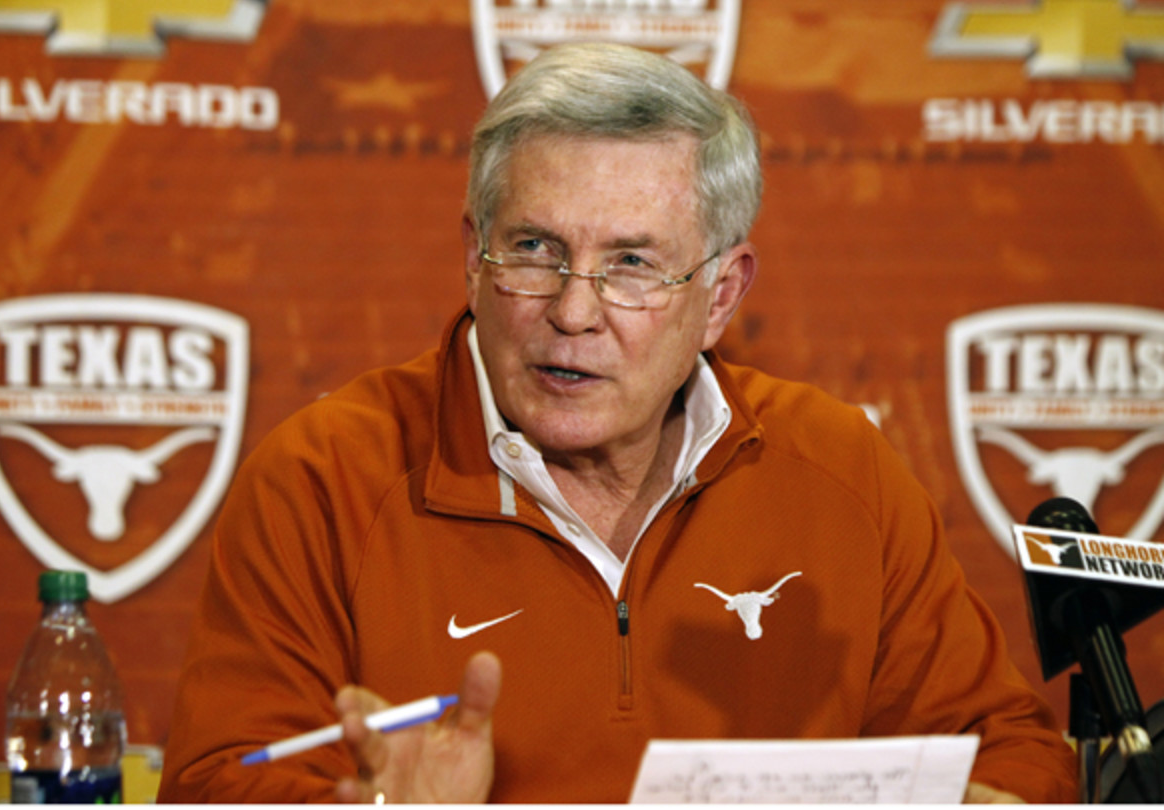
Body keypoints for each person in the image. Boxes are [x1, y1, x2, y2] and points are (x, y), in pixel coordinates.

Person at [157, 42, 1076, 803]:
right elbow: (215, 782)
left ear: (721, 294)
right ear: (472, 258)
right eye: (534, 251)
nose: (573, 311)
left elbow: (1008, 753)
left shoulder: (844, 472)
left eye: (632, 263)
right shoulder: (326, 478)